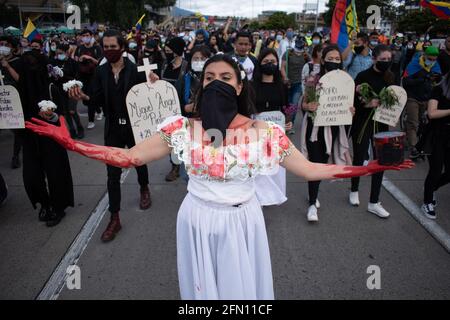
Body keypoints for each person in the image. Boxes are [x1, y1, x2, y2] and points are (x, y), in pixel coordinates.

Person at [26, 53, 413, 300]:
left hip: (242, 221)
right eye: (209, 76)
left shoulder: (266, 134)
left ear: (239, 85)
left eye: (225, 77)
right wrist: (74, 145)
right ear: (200, 83)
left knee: (240, 295)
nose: (216, 83)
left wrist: (370, 167)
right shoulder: (180, 128)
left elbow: (311, 169)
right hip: (196, 218)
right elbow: (128, 157)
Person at [67, 29, 152, 242]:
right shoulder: (101, 72)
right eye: (106, 47)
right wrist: (85, 96)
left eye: (113, 47)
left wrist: (155, 84)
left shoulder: (136, 71)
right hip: (113, 128)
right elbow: (95, 98)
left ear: (122, 47)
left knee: (139, 161)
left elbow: (149, 97)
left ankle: (144, 188)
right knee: (112, 175)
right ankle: (114, 218)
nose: (109, 50)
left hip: (133, 127)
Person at [18, 38, 74, 227]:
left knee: (55, 172)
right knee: (32, 175)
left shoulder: (50, 88)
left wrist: (51, 116)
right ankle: (44, 202)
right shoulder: (19, 91)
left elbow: (62, 116)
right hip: (29, 137)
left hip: (51, 138)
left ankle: (58, 207)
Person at [299, 45, 354, 222]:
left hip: (334, 128)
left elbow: (346, 106)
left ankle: (312, 193)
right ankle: (312, 204)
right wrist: (307, 106)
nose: (334, 61)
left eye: (337, 59)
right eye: (330, 58)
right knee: (316, 165)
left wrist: (349, 111)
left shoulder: (346, 82)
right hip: (315, 129)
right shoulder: (312, 80)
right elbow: (304, 103)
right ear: (323, 60)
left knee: (323, 162)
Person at [350, 45, 396, 218]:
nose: (386, 62)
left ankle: (374, 202)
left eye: (388, 59)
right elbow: (354, 102)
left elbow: (395, 100)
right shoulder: (363, 76)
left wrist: (393, 115)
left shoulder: (391, 77)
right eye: (382, 59)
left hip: (381, 125)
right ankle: (354, 189)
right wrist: (366, 104)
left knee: (380, 161)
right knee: (359, 156)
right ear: (374, 58)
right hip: (363, 123)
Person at [403, 46, 442, 159]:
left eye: (434, 59)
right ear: (424, 56)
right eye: (430, 58)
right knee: (413, 122)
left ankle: (421, 144)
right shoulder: (413, 65)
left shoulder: (436, 66)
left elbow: (440, 83)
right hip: (413, 97)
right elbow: (405, 82)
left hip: (428, 99)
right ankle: (414, 148)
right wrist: (423, 79)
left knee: (424, 124)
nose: (432, 61)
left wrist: (438, 79)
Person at [420, 73, 450, 220]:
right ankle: (427, 201)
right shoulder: (438, 89)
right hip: (436, 135)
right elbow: (431, 113)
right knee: (436, 169)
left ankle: (431, 188)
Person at [161, 37, 189, 182]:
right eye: (165, 51)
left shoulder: (186, 67)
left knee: (180, 139)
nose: (167, 54)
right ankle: (175, 166)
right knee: (170, 140)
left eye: (169, 51)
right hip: (166, 109)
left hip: (182, 110)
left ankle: (180, 166)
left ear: (177, 51)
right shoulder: (165, 65)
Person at [50, 43, 84, 139]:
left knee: (72, 111)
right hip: (60, 90)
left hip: (72, 89)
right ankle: (72, 130)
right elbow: (52, 76)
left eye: (60, 53)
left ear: (66, 52)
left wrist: (63, 75)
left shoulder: (73, 63)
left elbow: (77, 77)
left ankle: (80, 128)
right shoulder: (54, 61)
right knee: (66, 112)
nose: (58, 55)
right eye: (57, 53)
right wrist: (53, 75)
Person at [0, 36, 23, 169]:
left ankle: (15, 156)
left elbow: (19, 79)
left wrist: (7, 66)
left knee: (18, 128)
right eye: (1, 44)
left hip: (15, 101)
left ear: (13, 48)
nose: (3, 47)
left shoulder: (18, 62)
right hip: (2, 102)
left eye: (6, 45)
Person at [74, 29, 103, 129]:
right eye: (83, 36)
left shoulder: (97, 48)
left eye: (87, 35)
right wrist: (80, 59)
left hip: (94, 77)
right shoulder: (79, 48)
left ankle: (91, 121)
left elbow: (99, 62)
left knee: (90, 97)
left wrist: (89, 58)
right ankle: (98, 110)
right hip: (82, 76)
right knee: (85, 100)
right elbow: (76, 59)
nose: (85, 37)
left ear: (91, 36)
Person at [281, 36, 309, 134]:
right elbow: (283, 67)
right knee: (287, 105)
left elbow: (309, 67)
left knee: (294, 104)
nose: (300, 43)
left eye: (302, 41)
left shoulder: (306, 55)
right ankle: (284, 123)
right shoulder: (288, 53)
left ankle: (290, 125)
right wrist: (285, 77)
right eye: (298, 41)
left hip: (299, 84)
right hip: (287, 83)